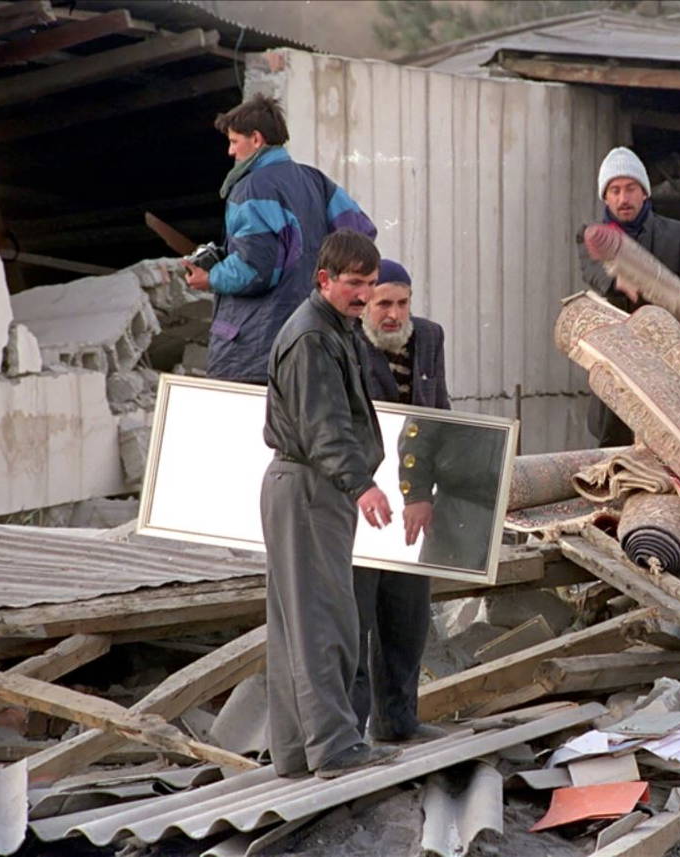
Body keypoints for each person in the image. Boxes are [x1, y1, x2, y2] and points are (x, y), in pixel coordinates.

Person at [260, 230, 396, 779]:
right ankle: (335, 747)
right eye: (354, 284)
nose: (363, 295)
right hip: (312, 486)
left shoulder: (331, 329)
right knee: (325, 619)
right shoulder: (314, 338)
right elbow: (324, 427)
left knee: (297, 621)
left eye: (370, 284)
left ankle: (295, 752)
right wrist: (361, 484)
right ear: (325, 280)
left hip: (307, 486)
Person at [185, 94, 377, 383]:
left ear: (257, 139)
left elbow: (255, 269)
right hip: (315, 339)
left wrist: (210, 277)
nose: (229, 151)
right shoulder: (316, 180)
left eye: (234, 141)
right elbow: (360, 238)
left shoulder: (251, 187)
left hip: (255, 350)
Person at [349, 259, 450, 744]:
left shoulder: (428, 338)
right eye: (383, 303)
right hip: (361, 500)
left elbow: (438, 417)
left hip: (412, 500)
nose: (393, 314)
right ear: (366, 302)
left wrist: (428, 493)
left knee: (408, 619)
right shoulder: (346, 343)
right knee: (356, 620)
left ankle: (397, 722)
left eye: (402, 303)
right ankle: (348, 731)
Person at [577, 146, 680, 445]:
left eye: (630, 189)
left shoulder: (679, 235)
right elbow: (593, 273)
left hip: (662, 361)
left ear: (644, 193)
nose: (623, 198)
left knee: (667, 448)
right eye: (614, 190)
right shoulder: (593, 235)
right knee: (614, 452)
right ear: (605, 197)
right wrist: (619, 283)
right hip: (617, 363)